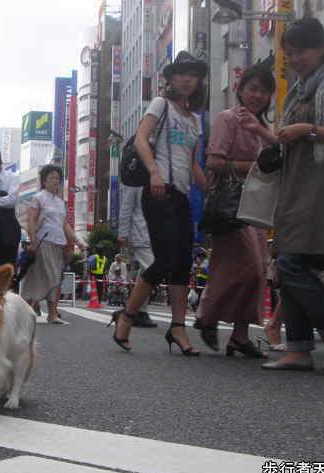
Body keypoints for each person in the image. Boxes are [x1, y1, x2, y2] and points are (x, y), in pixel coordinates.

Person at [260, 18, 324, 371]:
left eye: (301, 51)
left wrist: (307, 130)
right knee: (288, 259)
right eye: (290, 53)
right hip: (298, 187)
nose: (295, 59)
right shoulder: (300, 90)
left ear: (322, 48)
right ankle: (298, 347)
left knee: (291, 261)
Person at [109, 51, 207, 355]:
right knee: (164, 260)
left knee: (181, 263)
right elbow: (140, 139)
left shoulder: (195, 120)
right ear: (171, 78)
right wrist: (153, 172)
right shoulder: (160, 104)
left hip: (180, 195)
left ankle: (178, 328)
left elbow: (193, 164)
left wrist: (211, 189)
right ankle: (126, 316)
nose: (187, 79)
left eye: (192, 74)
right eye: (181, 74)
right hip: (158, 191)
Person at [194, 64, 276, 358]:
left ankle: (239, 337)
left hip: (257, 206)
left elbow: (280, 159)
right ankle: (206, 315)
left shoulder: (263, 128)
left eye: (263, 90)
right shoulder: (228, 119)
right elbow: (214, 161)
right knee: (246, 267)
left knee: (256, 270)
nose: (257, 95)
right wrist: (254, 168)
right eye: (252, 88)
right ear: (240, 90)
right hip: (230, 206)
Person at [21, 165, 85, 324]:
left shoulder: (60, 202)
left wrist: (77, 241)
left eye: (57, 178)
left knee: (53, 278)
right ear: (44, 181)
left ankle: (50, 313)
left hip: (59, 244)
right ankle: (31, 310)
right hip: (43, 242)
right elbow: (31, 221)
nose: (55, 181)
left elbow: (64, 225)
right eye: (51, 178)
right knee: (46, 277)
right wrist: (33, 241)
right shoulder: (38, 198)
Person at [118, 185, 157, 328]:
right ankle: (134, 311)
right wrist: (122, 234)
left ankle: (139, 310)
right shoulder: (135, 174)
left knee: (146, 271)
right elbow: (126, 207)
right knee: (151, 268)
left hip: (156, 232)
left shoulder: (161, 172)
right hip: (139, 232)